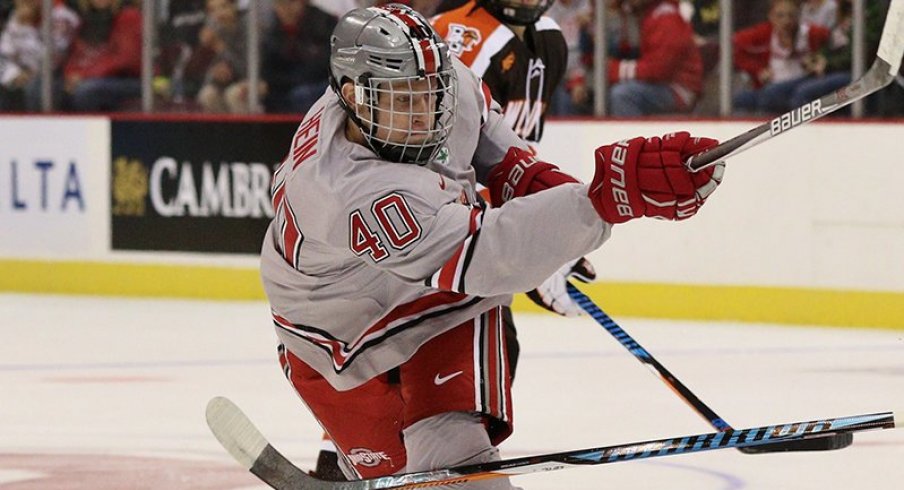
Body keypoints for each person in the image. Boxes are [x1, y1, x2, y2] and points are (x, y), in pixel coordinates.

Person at [260, 3, 725, 487]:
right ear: (355, 97)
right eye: (404, 100)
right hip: (330, 334)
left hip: (439, 303)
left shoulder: (448, 82)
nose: (425, 114)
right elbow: (484, 254)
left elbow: (506, 162)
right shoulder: (347, 189)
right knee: (403, 474)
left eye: (429, 93)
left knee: (452, 450)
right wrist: (604, 201)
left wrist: (567, 206)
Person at [607, 0, 703, 116]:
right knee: (603, 91)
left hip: (678, 88)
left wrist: (615, 70)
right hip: (663, 83)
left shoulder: (666, 16)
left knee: (623, 94)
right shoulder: (647, 13)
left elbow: (659, 69)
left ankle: (633, 134)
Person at [732, 0, 830, 114]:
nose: (786, 21)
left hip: (802, 81)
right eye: (780, 16)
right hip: (772, 85)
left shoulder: (811, 34)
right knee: (742, 99)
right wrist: (758, 70)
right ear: (771, 16)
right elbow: (735, 47)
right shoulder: (765, 33)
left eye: (791, 16)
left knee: (771, 94)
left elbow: (830, 44)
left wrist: (820, 59)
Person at [62, 0, 142, 112]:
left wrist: (84, 75)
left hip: (128, 80)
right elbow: (76, 56)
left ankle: (89, 129)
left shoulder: (129, 16)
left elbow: (126, 59)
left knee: (87, 91)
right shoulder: (85, 18)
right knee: (46, 89)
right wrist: (70, 75)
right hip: (91, 78)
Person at [261, 0, 337, 114]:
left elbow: (323, 64)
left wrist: (286, 81)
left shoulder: (324, 22)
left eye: (290, 3)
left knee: (301, 95)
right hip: (287, 85)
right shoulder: (272, 29)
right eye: (280, 4)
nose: (286, 9)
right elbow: (268, 70)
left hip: (321, 82)